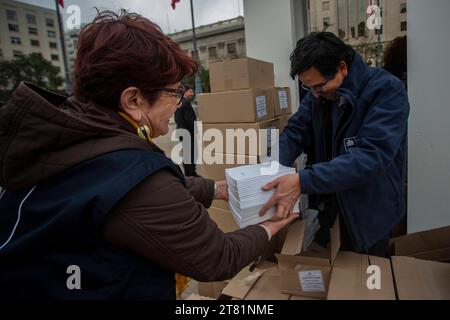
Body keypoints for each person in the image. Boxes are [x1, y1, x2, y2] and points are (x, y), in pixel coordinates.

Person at [0, 10, 297, 300]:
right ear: (133, 100)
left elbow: (133, 191)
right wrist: (270, 226)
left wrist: (215, 188)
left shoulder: (67, 135)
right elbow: (217, 257)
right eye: (174, 93)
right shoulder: (129, 172)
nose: (179, 104)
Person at [259, 32, 410, 257]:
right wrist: (268, 169)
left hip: (369, 213)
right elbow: (294, 133)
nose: (315, 95)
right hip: (328, 206)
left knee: (364, 280)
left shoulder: (386, 90)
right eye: (308, 88)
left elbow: (371, 156)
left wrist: (302, 180)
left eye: (319, 87)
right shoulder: (317, 96)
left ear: (342, 68)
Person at [174, 85, 198, 176]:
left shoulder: (179, 102)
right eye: (191, 91)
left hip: (181, 131)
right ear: (185, 92)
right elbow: (190, 120)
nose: (192, 94)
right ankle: (191, 174)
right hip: (187, 132)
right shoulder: (185, 103)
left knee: (187, 154)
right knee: (191, 154)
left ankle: (189, 173)